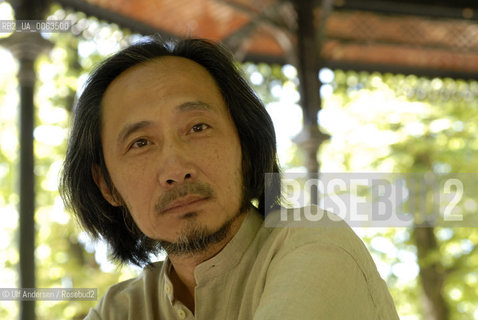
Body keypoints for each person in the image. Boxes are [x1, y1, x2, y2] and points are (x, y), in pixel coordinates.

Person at [61, 37, 399, 319]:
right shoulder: (122, 310)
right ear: (107, 185)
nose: (176, 169)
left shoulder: (315, 247)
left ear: (245, 145)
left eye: (198, 127)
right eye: (141, 143)